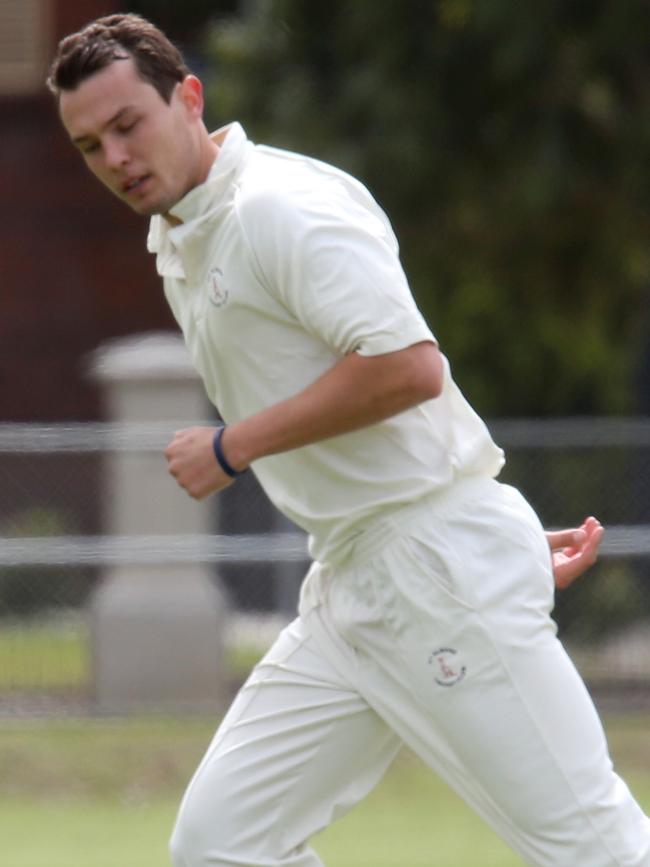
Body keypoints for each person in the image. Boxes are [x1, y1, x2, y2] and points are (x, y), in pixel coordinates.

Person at [48, 14, 649, 867]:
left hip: (435, 576)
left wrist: (235, 447)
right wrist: (476, 534)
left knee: (602, 851)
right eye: (88, 145)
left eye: (126, 125)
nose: (114, 157)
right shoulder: (184, 233)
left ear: (189, 97)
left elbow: (409, 367)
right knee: (222, 846)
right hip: (357, 580)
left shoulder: (279, 210)